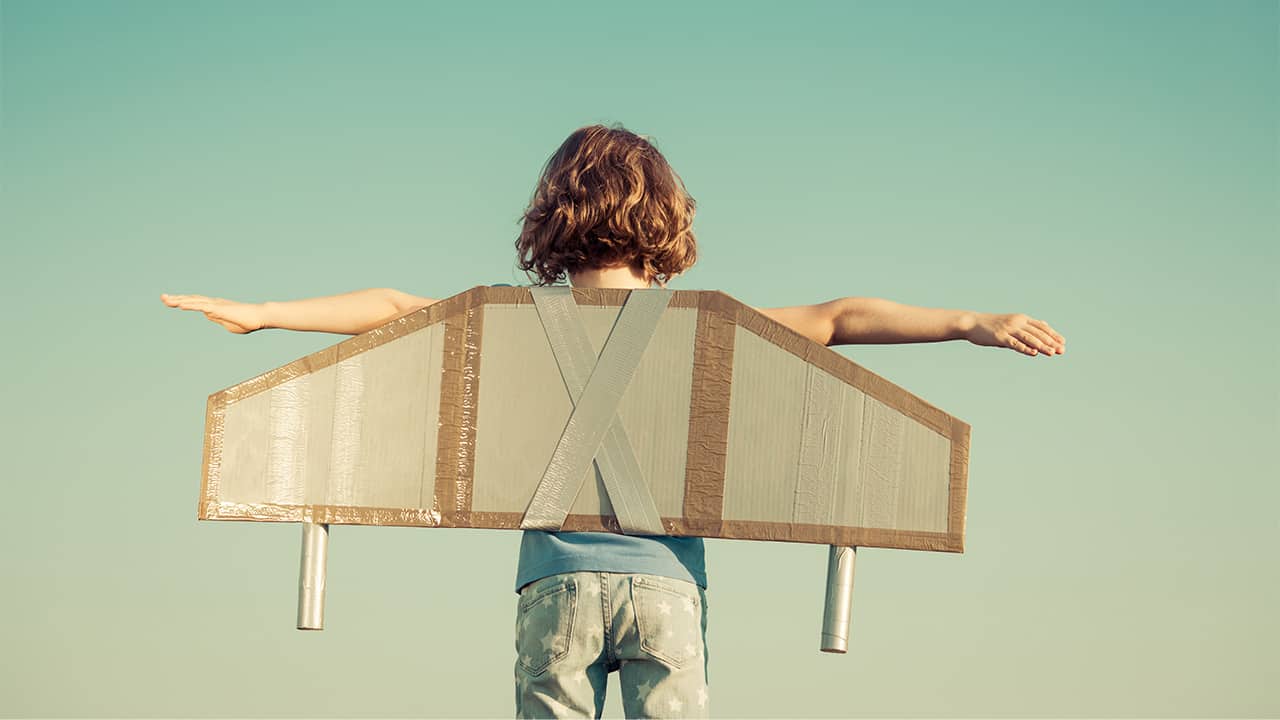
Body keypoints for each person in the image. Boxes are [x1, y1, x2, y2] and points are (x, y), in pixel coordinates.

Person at [162, 124, 1065, 718]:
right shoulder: (704, 327)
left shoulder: (512, 323)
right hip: (667, 590)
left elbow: (393, 305)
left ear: (553, 215)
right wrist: (967, 323)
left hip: (553, 587)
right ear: (667, 219)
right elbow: (836, 317)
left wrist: (265, 310)